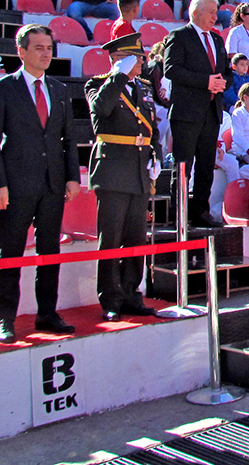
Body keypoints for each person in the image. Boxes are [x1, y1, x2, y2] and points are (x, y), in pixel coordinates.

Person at [0, 24, 80, 342]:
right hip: (16, 184)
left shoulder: (59, 89)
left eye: (49, 47)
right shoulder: (3, 89)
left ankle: (47, 313)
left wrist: (72, 176)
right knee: (10, 252)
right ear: (21, 51)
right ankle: (6, 319)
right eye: (38, 47)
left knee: (48, 253)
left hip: (52, 185)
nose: (46, 53)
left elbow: (68, 138)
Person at [86, 32, 159, 320]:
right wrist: (116, 77)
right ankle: (110, 298)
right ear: (119, 60)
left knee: (135, 238)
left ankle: (131, 292)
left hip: (139, 170)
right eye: (135, 58)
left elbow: (149, 127)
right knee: (111, 237)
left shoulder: (141, 87)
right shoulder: (99, 85)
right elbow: (100, 111)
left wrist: (153, 155)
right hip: (113, 170)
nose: (141, 62)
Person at [163, 0, 229, 228]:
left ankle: (201, 211)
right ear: (195, 13)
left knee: (205, 166)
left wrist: (223, 83)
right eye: (211, 11)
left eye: (216, 11)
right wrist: (206, 82)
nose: (215, 16)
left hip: (211, 112)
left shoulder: (218, 40)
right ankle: (178, 213)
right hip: (187, 112)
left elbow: (226, 72)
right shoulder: (179, 37)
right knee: (183, 166)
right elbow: (171, 69)